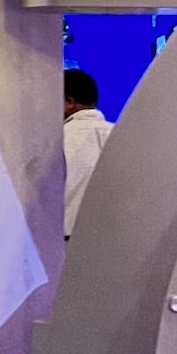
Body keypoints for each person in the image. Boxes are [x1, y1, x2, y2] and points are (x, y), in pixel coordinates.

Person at [63, 67, 110, 237]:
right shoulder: (119, 135)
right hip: (112, 241)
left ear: (69, 102)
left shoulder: (54, 143)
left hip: (64, 244)